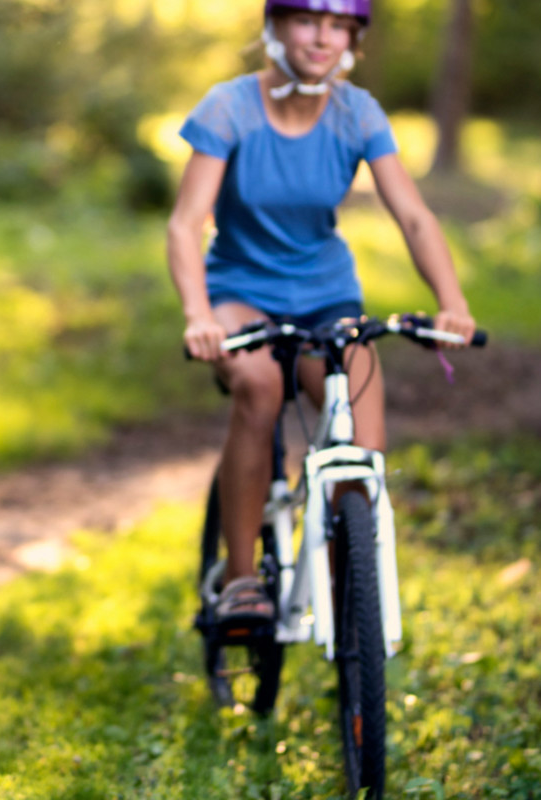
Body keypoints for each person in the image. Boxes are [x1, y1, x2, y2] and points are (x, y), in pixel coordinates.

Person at [167, 0, 477, 623]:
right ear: (275, 26)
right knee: (259, 385)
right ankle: (241, 579)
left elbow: (414, 217)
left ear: (354, 39)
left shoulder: (356, 113)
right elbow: (183, 224)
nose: (323, 38)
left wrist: (453, 303)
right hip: (238, 293)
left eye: (340, 27)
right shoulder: (229, 107)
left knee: (361, 436)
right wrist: (198, 312)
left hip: (327, 295)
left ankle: (352, 588)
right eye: (309, 21)